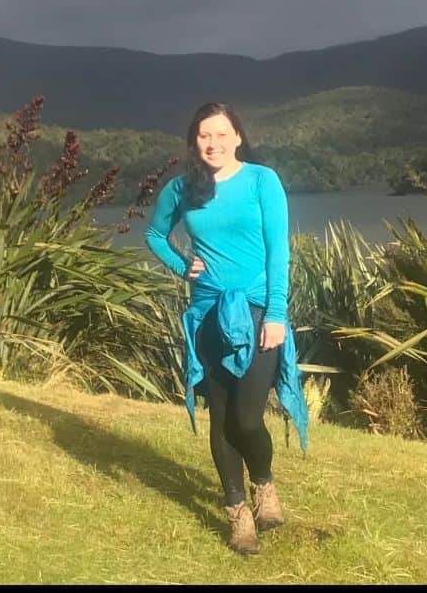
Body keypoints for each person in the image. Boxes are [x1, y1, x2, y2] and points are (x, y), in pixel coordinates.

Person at [144, 102, 308, 555]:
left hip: (257, 311)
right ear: (194, 141)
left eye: (221, 134)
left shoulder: (261, 181)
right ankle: (238, 514)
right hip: (209, 313)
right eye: (203, 136)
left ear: (238, 137)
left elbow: (279, 253)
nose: (212, 143)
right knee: (221, 415)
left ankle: (264, 484)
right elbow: (155, 235)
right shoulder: (182, 189)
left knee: (247, 417)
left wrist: (277, 314)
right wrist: (183, 266)